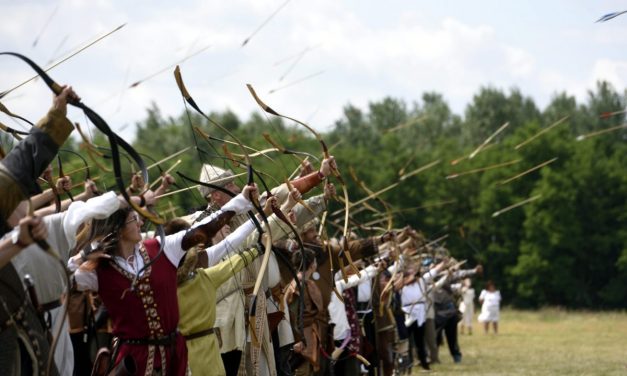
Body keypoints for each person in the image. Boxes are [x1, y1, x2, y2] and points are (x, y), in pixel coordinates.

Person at [71, 185, 257, 375]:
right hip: (133, 362)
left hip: (174, 356)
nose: (140, 224)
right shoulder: (96, 270)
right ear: (117, 229)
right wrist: (87, 252)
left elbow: (205, 228)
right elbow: (63, 276)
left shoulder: (163, 248)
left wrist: (241, 199)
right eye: (134, 219)